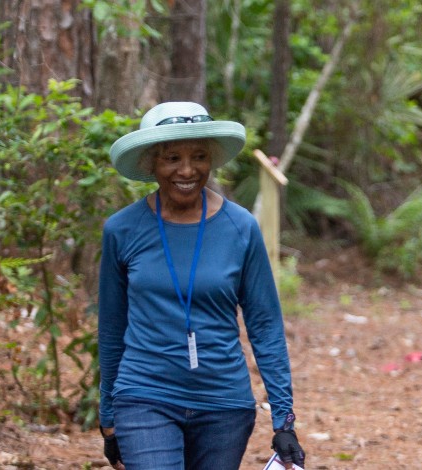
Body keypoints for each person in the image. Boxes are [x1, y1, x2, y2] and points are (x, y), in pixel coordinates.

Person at [96, 102, 305, 469]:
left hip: (224, 403)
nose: (187, 170)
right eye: (172, 157)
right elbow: (112, 328)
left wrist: (284, 420)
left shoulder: (241, 228)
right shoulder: (122, 230)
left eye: (199, 156)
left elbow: (265, 325)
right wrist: (108, 418)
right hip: (145, 395)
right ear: (151, 163)